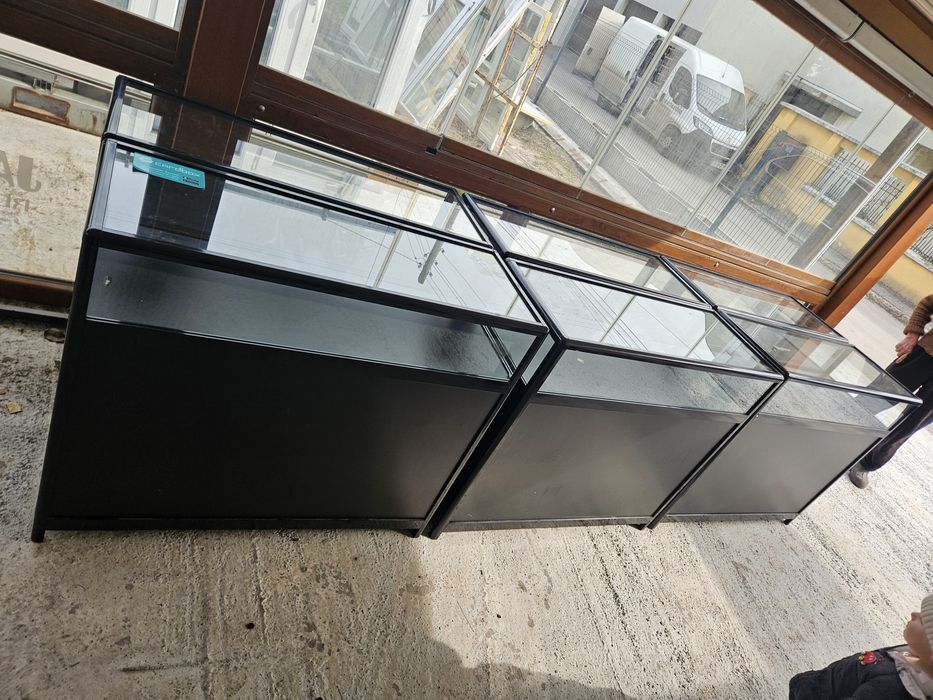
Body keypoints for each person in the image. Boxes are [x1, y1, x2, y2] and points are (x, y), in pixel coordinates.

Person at [849, 293, 933, 488]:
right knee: (877, 397)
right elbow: (927, 304)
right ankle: (834, 430)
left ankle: (867, 463)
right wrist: (913, 335)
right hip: (924, 355)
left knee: (910, 424)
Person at [789, 593, 933, 699]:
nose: (914, 614)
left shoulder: (891, 688)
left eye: (922, 621)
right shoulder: (915, 652)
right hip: (821, 683)